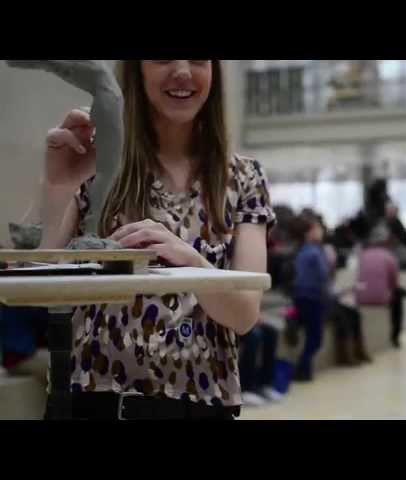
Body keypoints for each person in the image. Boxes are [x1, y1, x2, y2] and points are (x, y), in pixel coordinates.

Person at [32, 60, 275, 419]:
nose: (182, 71)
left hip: (200, 404)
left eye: (197, 60)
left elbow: (244, 315)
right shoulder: (97, 158)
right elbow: (46, 286)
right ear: (136, 70)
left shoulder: (243, 177)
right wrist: (58, 187)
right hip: (96, 400)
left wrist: (191, 261)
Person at [290, 212, 331, 381]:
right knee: (315, 338)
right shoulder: (314, 252)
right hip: (313, 298)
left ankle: (304, 369)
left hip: (301, 297)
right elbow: (323, 276)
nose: (320, 231)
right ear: (309, 232)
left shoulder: (301, 251)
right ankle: (301, 369)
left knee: (311, 336)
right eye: (317, 228)